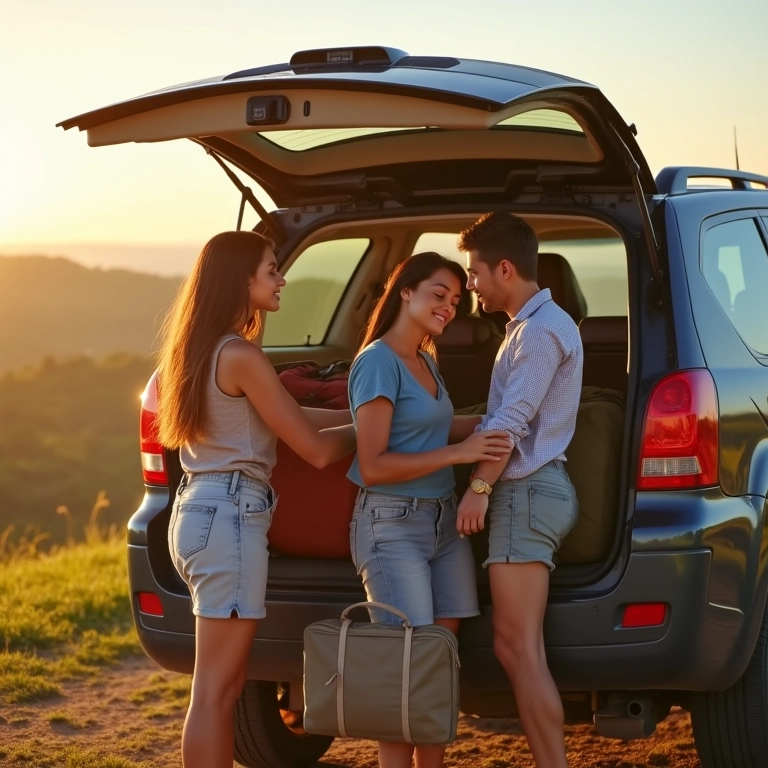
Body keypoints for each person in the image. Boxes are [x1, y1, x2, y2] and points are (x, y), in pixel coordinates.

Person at [155, 230, 356, 768]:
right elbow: (313, 450)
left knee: (217, 686)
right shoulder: (240, 354)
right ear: (241, 280)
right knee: (216, 692)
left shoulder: (197, 350)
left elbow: (289, 420)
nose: (282, 277)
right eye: (271, 269)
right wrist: (371, 433)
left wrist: (358, 417)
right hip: (230, 518)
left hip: (197, 511)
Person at [347, 251, 512, 768]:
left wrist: (497, 421)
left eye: (457, 300)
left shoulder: (425, 359)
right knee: (407, 665)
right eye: (438, 294)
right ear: (405, 292)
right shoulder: (377, 361)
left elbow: (438, 428)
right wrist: (462, 454)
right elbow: (373, 464)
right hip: (391, 526)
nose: (448, 307)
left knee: (438, 660)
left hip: (443, 524)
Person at [455, 212, 583, 768]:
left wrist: (479, 486)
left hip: (524, 492)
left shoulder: (537, 332)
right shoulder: (537, 327)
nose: (471, 286)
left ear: (505, 268)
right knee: (521, 648)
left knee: (518, 649)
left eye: (475, 273)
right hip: (537, 491)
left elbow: (511, 422)